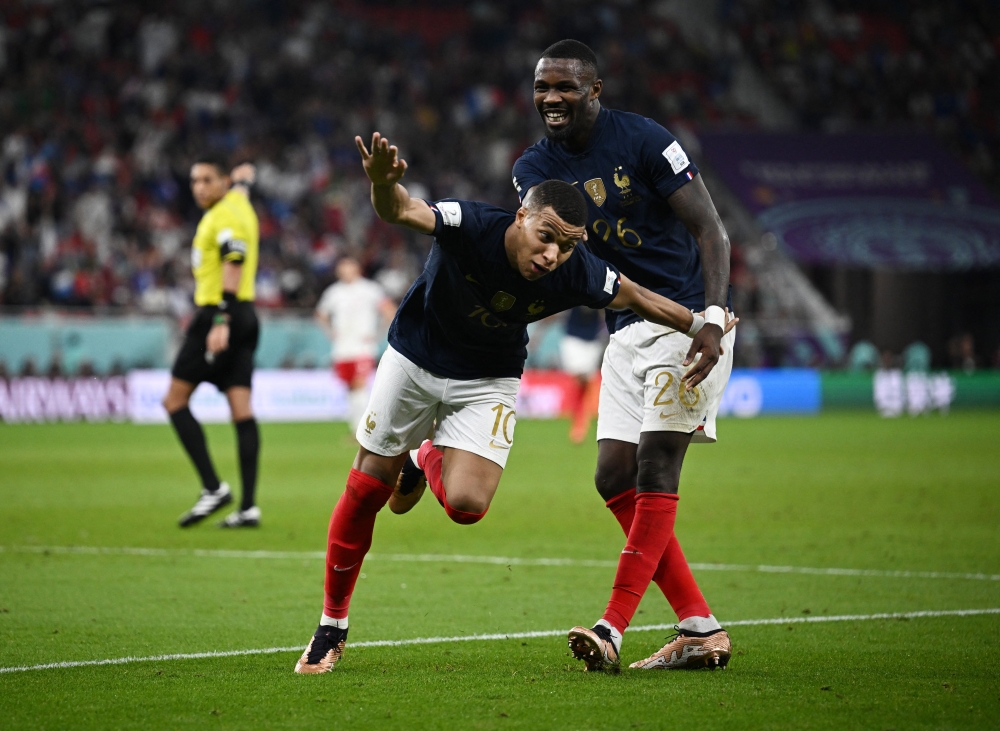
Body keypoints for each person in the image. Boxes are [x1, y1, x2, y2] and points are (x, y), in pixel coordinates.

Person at [293, 132, 734, 674]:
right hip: (414, 360)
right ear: (521, 216)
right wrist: (384, 185)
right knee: (367, 489)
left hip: (489, 378)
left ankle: (422, 455)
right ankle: (331, 627)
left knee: (467, 506)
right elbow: (403, 210)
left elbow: (636, 297)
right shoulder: (469, 224)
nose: (553, 255)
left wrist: (703, 323)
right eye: (546, 236)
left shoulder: (576, 270)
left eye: (568, 246)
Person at [512, 39, 737, 672]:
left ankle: (612, 627)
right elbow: (552, 251)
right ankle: (700, 627)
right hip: (623, 328)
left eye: (564, 87)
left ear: (594, 90)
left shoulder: (645, 141)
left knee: (656, 465)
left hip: (686, 322)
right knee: (613, 476)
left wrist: (712, 320)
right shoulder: (533, 168)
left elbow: (710, 231)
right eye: (542, 88)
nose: (551, 98)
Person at [162, 154, 262, 529]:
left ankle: (213, 488)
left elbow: (233, 259)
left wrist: (220, 318)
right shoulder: (239, 202)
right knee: (242, 409)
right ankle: (249, 506)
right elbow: (243, 184)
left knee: (174, 400)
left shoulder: (223, 216)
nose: (199, 188)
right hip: (248, 314)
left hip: (218, 314)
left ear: (221, 183)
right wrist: (243, 181)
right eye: (194, 181)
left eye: (207, 180)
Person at [314, 257, 396, 433]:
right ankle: (356, 428)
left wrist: (378, 334)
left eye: (349, 268)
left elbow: (390, 311)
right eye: (342, 269)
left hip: (362, 347)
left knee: (359, 385)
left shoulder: (370, 289)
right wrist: (331, 333)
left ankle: (364, 429)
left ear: (357, 269)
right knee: (350, 388)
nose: (345, 272)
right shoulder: (334, 292)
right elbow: (320, 314)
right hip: (342, 348)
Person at [560, 307, 606, 443]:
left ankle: (581, 421)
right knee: (579, 379)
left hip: (592, 340)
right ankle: (578, 422)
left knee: (587, 382)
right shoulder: (575, 288)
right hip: (573, 337)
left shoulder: (599, 289)